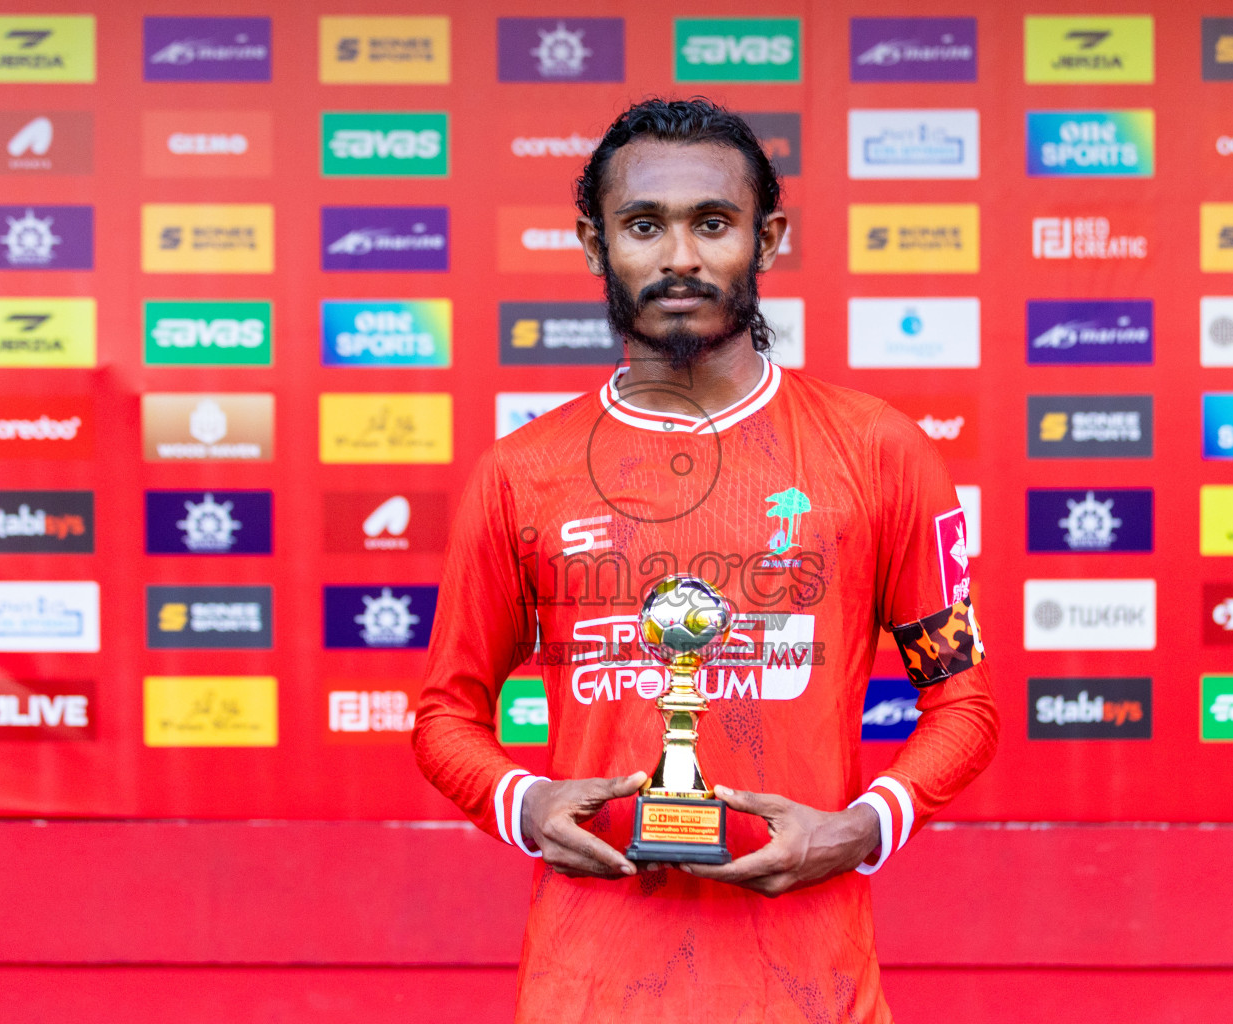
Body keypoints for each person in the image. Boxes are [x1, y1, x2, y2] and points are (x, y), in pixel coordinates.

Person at [415, 98, 998, 1024]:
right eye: (644, 225)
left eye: (712, 223)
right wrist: (522, 803)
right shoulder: (522, 473)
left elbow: (964, 703)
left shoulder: (880, 451)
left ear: (766, 240)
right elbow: (445, 713)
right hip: (588, 989)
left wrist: (863, 827)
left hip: (813, 988)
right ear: (593, 242)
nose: (679, 257)